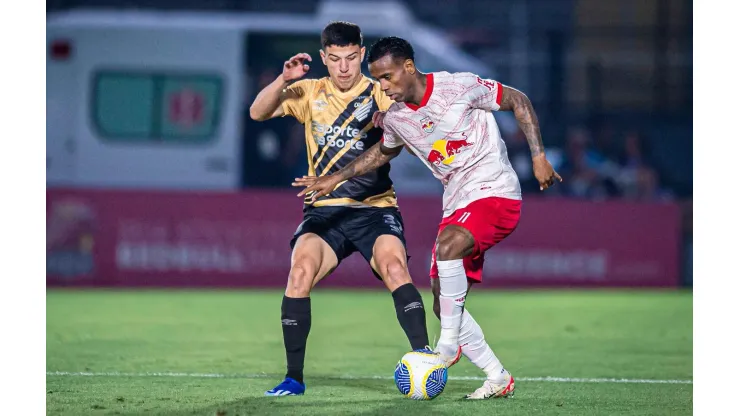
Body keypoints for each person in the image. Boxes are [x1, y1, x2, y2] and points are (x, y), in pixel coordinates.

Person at [294, 36, 562, 400]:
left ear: (408, 67)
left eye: (387, 78)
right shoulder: (398, 118)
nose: (384, 88)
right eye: (378, 82)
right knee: (442, 301)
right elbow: (381, 153)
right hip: (457, 203)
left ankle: (446, 349)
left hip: (495, 192)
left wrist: (538, 155)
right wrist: (335, 178)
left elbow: (519, 100)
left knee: (449, 246)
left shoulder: (460, 87)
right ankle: (497, 376)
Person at [249, 24, 431, 397]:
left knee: (395, 267)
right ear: (323, 59)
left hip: (374, 207)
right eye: (334, 60)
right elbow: (257, 112)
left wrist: (394, 122)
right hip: (324, 213)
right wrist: (283, 79)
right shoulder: (309, 91)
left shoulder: (381, 92)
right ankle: (293, 378)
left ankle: (424, 359)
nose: (343, 68)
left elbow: (412, 142)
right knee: (300, 271)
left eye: (350, 58)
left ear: (362, 55)